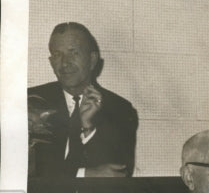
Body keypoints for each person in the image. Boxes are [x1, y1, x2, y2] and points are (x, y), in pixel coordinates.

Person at [28, 22, 138, 177]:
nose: (65, 62)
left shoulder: (120, 110)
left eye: (74, 53)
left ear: (92, 60)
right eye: (58, 54)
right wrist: (85, 174)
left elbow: (116, 175)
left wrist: (88, 128)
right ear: (51, 62)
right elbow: (27, 171)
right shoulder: (32, 101)